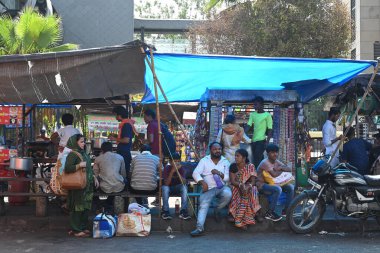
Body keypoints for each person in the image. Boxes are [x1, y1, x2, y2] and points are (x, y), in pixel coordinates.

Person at [190, 142, 231, 237]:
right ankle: (199, 228)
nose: (217, 151)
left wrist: (219, 173)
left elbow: (227, 178)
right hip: (208, 188)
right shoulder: (204, 160)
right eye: (215, 149)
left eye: (219, 149)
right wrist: (202, 182)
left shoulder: (225, 161)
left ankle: (217, 209)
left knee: (228, 194)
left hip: (221, 187)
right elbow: (195, 173)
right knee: (203, 204)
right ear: (210, 150)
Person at [65, 134, 99, 238]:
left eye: (84, 142)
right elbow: (67, 168)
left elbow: (88, 168)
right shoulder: (73, 154)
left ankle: (82, 228)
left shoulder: (84, 153)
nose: (84, 144)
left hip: (87, 185)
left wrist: (94, 177)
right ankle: (76, 229)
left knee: (85, 207)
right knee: (77, 207)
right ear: (75, 143)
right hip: (78, 186)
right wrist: (79, 165)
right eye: (81, 142)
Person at [257, 144, 294, 222]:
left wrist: (280, 168)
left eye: (276, 152)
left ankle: (286, 211)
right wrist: (281, 169)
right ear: (268, 154)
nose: (275, 154)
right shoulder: (265, 162)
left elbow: (289, 169)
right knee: (278, 189)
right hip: (261, 185)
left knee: (291, 187)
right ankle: (269, 213)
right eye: (272, 152)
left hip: (273, 183)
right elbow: (274, 174)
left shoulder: (276, 161)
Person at [229, 149, 261, 230]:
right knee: (236, 191)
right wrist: (241, 185)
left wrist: (248, 186)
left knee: (253, 189)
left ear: (244, 158)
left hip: (248, 186)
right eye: (235, 156)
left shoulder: (250, 166)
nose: (235, 158)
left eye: (238, 156)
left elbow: (253, 181)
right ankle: (237, 218)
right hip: (237, 186)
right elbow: (232, 181)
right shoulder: (233, 166)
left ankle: (255, 212)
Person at [93, 142, 126, 212]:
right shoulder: (120, 157)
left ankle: (103, 205)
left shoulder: (98, 159)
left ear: (102, 150)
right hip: (119, 186)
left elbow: (95, 175)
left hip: (105, 187)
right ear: (112, 149)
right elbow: (123, 174)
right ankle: (110, 204)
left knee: (96, 184)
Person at [161, 152, 191, 220]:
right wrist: (172, 171)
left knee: (184, 187)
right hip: (169, 187)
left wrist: (177, 171)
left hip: (177, 188)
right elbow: (166, 184)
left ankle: (183, 211)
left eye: (178, 161)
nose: (177, 163)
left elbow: (183, 182)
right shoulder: (167, 168)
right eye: (175, 161)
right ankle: (165, 211)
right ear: (170, 162)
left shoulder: (181, 168)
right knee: (165, 188)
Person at [245, 96, 273, 168]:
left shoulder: (267, 115)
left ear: (261, 105)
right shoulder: (253, 114)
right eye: (254, 104)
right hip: (253, 141)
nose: (254, 106)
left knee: (257, 160)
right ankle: (260, 175)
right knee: (256, 159)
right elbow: (248, 125)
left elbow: (270, 129)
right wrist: (243, 133)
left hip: (261, 141)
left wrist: (267, 142)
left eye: (256, 104)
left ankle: (257, 175)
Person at [110, 106, 137, 176]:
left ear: (119, 115)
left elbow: (126, 140)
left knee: (123, 173)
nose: (115, 117)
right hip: (124, 152)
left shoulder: (126, 125)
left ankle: (124, 186)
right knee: (123, 171)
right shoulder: (126, 123)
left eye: (115, 115)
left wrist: (114, 139)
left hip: (124, 152)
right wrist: (116, 136)